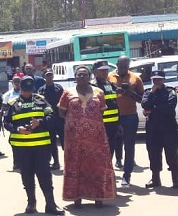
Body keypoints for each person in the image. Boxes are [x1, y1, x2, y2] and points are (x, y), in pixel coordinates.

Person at [4, 76, 65, 215]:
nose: (27, 93)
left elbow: (52, 117)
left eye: (30, 90)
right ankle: (31, 203)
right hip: (22, 148)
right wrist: (17, 129)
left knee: (45, 175)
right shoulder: (13, 103)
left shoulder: (41, 100)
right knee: (27, 176)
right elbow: (6, 123)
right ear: (21, 88)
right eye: (25, 90)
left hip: (41, 147)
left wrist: (40, 122)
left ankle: (50, 204)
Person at [59, 66, 116, 208]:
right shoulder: (67, 93)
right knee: (75, 165)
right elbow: (61, 112)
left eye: (84, 74)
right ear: (75, 76)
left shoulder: (99, 92)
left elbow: (101, 111)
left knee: (97, 165)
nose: (82, 77)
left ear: (89, 76)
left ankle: (99, 197)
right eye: (79, 74)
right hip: (74, 139)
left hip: (96, 138)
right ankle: (76, 198)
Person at [141, 70, 178, 189]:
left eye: (159, 79)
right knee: (153, 154)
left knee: (172, 153)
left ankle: (175, 180)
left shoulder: (170, 91)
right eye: (155, 79)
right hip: (153, 128)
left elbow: (169, 108)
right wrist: (152, 94)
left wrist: (152, 110)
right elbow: (144, 105)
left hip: (169, 127)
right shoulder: (148, 92)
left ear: (163, 79)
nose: (157, 82)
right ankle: (155, 179)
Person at [108, 56, 144, 186]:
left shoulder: (136, 79)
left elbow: (142, 99)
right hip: (112, 117)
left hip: (130, 116)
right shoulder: (109, 77)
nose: (123, 69)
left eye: (126, 67)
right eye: (121, 66)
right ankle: (109, 175)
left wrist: (130, 92)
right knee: (110, 145)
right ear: (116, 64)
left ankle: (127, 175)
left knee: (129, 146)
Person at [92, 60, 121, 166]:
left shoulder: (109, 84)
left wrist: (119, 122)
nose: (105, 73)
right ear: (95, 72)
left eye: (106, 70)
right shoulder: (92, 86)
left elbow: (115, 103)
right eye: (102, 71)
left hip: (113, 125)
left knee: (110, 151)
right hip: (100, 125)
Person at [38, 69, 64, 169]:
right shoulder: (41, 90)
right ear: (44, 77)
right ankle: (56, 162)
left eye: (50, 75)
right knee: (52, 143)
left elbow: (64, 102)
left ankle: (70, 162)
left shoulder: (59, 88)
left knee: (64, 142)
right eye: (47, 76)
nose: (49, 77)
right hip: (49, 120)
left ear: (53, 76)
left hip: (60, 118)